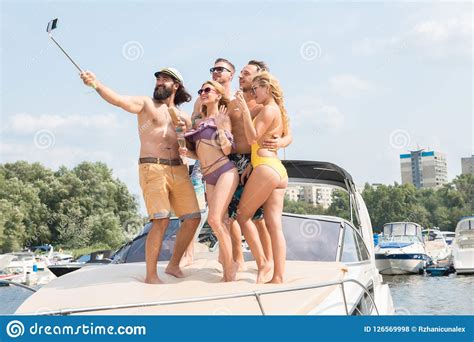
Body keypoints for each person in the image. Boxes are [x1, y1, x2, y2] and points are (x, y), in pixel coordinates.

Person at [80, 67, 201, 284]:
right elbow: (118, 100)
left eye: (165, 79)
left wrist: (184, 134)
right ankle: (151, 275)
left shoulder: (184, 116)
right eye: (157, 79)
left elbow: (191, 149)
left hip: (180, 169)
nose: (159, 82)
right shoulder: (146, 104)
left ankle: (173, 265)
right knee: (161, 221)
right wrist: (96, 84)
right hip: (152, 167)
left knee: (193, 218)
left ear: (176, 86)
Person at [227, 60, 293, 273]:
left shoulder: (267, 110)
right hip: (276, 170)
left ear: (267, 87)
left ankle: (263, 263)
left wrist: (245, 110)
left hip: (266, 166)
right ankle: (278, 276)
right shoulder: (278, 110)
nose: (254, 92)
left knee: (242, 216)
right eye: (252, 88)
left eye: (257, 88)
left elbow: (253, 137)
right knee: (275, 226)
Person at [182, 80, 239, 281]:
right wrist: (187, 152)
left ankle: (230, 267)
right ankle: (226, 262)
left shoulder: (222, 118)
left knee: (215, 219)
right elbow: (200, 154)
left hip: (225, 171)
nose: (203, 93)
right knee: (220, 221)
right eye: (201, 90)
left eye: (207, 90)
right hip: (208, 175)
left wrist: (223, 128)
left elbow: (226, 150)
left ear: (217, 95)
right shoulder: (198, 123)